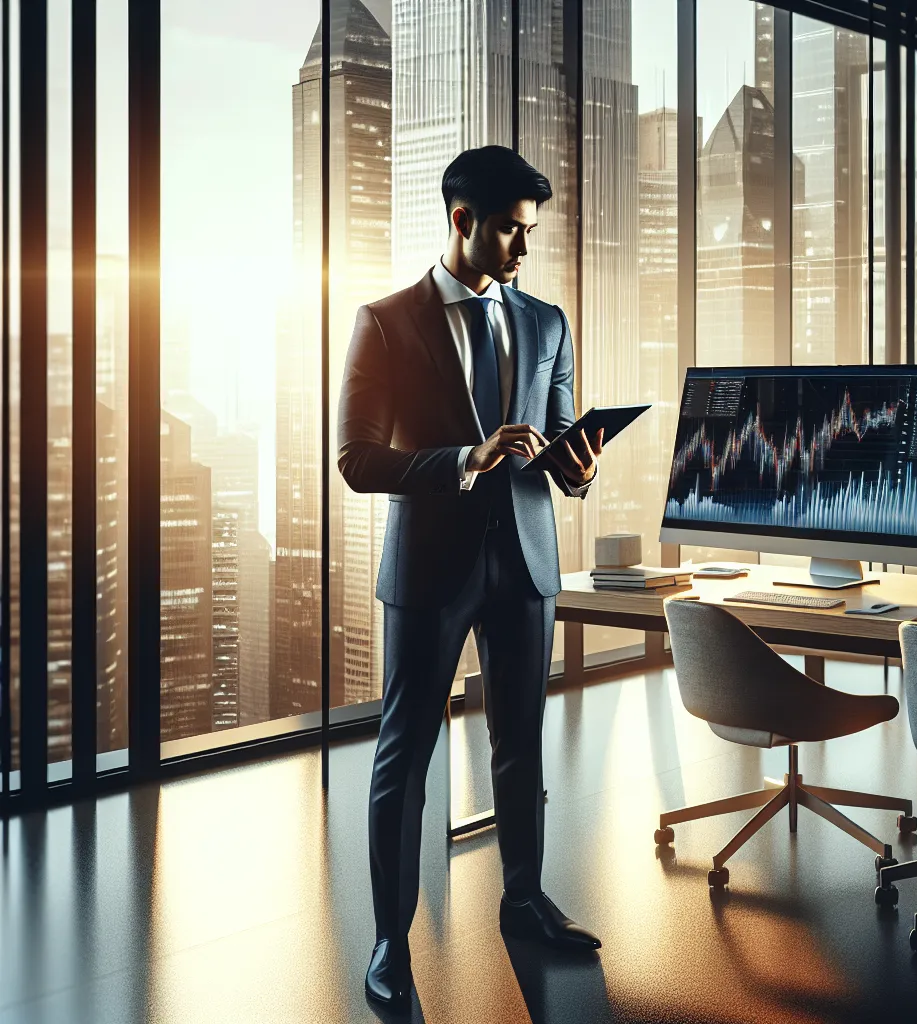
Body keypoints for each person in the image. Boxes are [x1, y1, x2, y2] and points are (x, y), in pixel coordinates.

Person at [338, 145, 603, 1011]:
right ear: (462, 221)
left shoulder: (548, 322)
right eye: (512, 233)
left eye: (531, 233)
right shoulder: (384, 323)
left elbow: (562, 446)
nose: (524, 250)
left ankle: (522, 900)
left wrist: (581, 466)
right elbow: (355, 459)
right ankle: (389, 945)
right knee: (405, 757)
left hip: (525, 561)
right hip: (431, 568)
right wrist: (463, 458)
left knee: (521, 746)